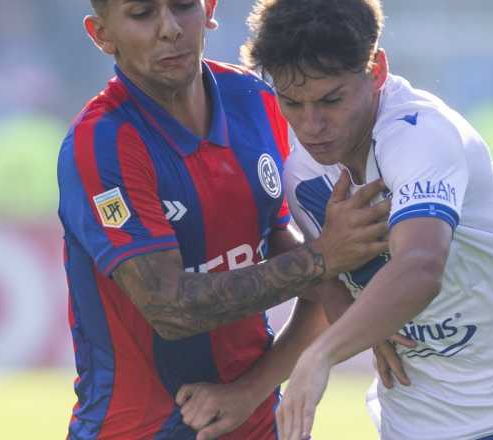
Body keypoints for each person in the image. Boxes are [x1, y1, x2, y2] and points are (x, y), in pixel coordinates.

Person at [240, 1, 493, 439]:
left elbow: (421, 266)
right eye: (292, 103)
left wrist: (321, 356)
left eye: (331, 99)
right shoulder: (303, 178)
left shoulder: (421, 133)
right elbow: (329, 278)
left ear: (377, 70)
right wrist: (357, 321)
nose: (311, 125)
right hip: (417, 422)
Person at [56, 1, 398, 439]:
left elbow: (295, 254)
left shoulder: (253, 98)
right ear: (102, 34)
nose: (170, 29)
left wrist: (252, 390)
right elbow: (170, 307)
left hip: (255, 423)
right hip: (136, 429)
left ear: (209, 9)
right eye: (142, 14)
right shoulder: (102, 143)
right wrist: (323, 258)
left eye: (183, 6)